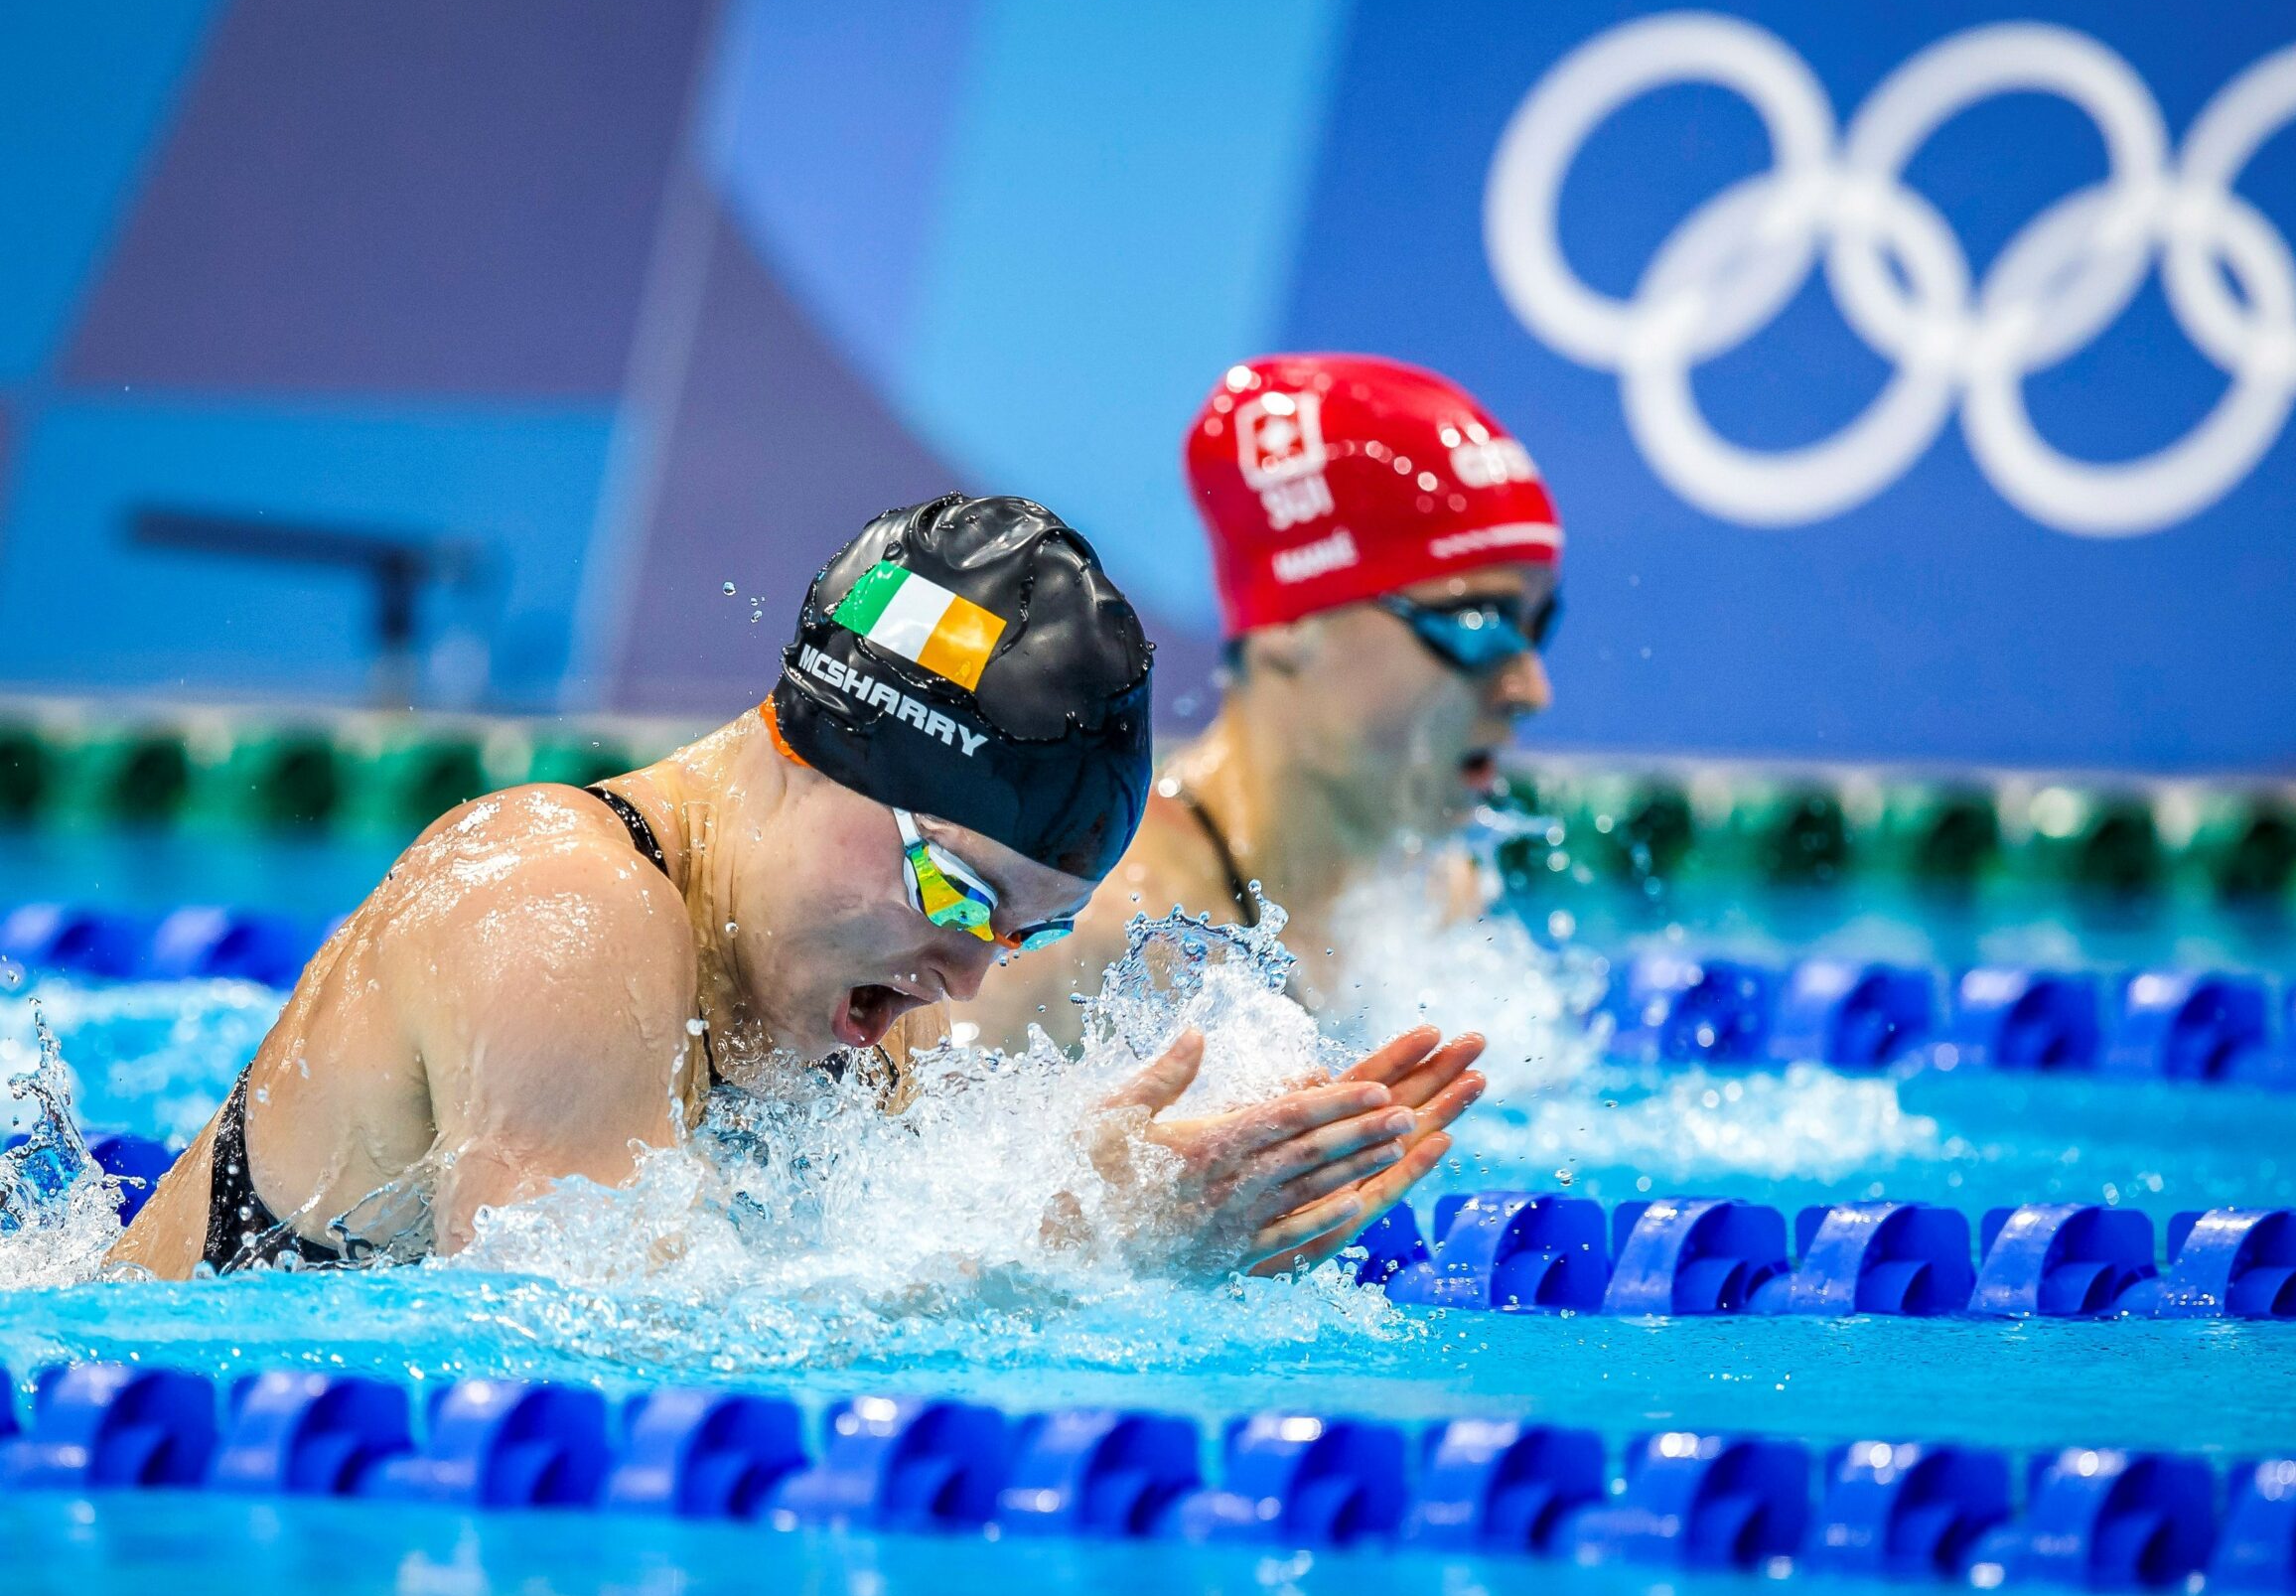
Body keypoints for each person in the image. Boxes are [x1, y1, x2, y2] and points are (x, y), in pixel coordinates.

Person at [109, 493, 1484, 1279]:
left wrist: (1164, 1240)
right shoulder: (559, 910)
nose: (971, 978)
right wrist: (1062, 1254)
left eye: (1029, 929)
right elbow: (567, 1362)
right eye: (959, 894)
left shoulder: (837, 1009)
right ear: (820, 750)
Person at [952, 356, 1562, 1203]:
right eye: (1476, 624)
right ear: (1291, 624)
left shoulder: (1441, 893)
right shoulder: (1084, 931)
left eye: (1539, 624)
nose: (1530, 688)